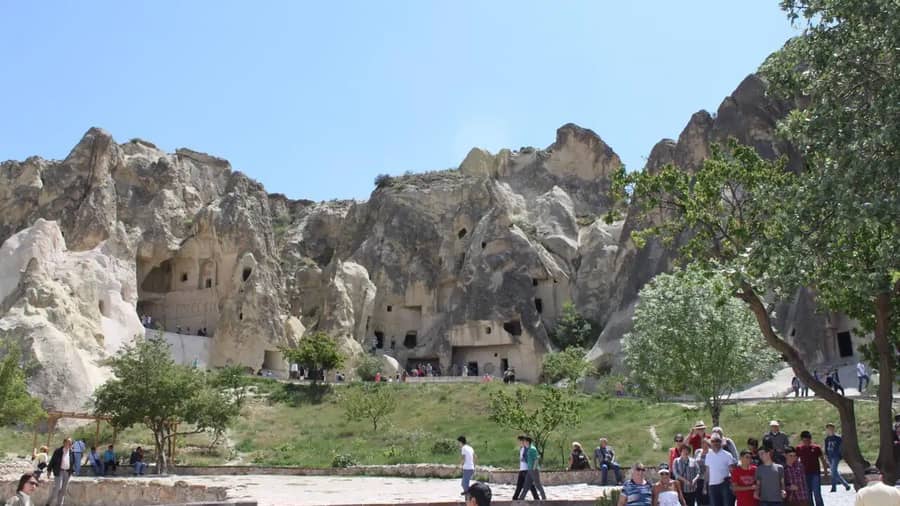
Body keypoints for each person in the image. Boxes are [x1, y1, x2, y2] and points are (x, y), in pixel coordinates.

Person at [701, 434, 736, 506]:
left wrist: (734, 484)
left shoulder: (727, 455)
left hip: (725, 484)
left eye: (718, 441)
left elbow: (732, 471)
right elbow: (707, 471)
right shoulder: (708, 455)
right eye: (713, 441)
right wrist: (705, 485)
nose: (715, 443)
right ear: (711, 443)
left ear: (721, 442)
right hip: (712, 485)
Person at [795, 430, 827, 506]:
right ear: (802, 440)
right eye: (804, 440)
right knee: (808, 494)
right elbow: (795, 460)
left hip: (815, 473)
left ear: (810, 439)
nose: (806, 442)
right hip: (804, 474)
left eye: (808, 440)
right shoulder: (799, 448)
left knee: (817, 493)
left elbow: (822, 460)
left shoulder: (816, 448)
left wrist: (825, 471)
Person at [822, 423, 851, 492]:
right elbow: (826, 448)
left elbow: (841, 447)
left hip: (836, 456)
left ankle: (834, 487)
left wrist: (840, 455)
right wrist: (826, 456)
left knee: (833, 471)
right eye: (828, 429)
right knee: (834, 472)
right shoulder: (827, 439)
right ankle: (845, 485)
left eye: (831, 428)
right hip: (830, 456)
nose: (829, 430)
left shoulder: (838, 438)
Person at [47, 438, 75, 506]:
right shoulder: (58, 451)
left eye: (71, 443)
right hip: (59, 471)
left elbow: (72, 462)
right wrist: (49, 470)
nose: (70, 444)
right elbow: (52, 460)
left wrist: (72, 471)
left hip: (67, 472)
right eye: (69, 442)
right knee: (57, 488)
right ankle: (48, 503)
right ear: (64, 443)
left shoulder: (71, 452)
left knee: (63, 490)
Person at [512, 436, 539, 501]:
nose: (518, 443)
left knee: (530, 485)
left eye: (519, 441)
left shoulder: (527, 449)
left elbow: (531, 459)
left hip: (526, 470)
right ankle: (515, 498)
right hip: (522, 470)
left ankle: (537, 499)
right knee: (519, 485)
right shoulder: (522, 449)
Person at [521, 436, 547, 501]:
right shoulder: (528, 449)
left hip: (534, 470)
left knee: (537, 484)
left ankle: (544, 498)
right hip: (529, 470)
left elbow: (536, 459)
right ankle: (521, 499)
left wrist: (534, 468)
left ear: (527, 442)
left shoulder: (532, 449)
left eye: (524, 441)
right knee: (526, 485)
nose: (523, 442)